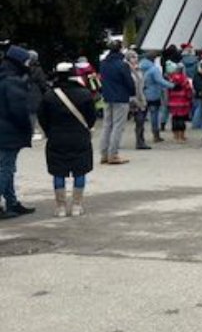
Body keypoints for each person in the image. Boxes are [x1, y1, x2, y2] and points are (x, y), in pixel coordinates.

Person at [38, 62, 97, 217]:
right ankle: (77, 206)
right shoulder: (84, 94)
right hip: (79, 137)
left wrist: (49, 131)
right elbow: (91, 118)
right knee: (80, 171)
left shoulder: (49, 95)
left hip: (57, 137)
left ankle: (60, 207)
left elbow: (42, 117)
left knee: (58, 172)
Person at [0, 46, 36, 218]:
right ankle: (9, 202)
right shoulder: (13, 81)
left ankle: (12, 202)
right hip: (9, 132)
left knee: (7, 167)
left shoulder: (3, 77)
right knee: (6, 169)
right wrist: (26, 128)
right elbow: (19, 110)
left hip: (4, 131)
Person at [99, 40, 136, 164]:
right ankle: (113, 154)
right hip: (120, 97)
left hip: (107, 96)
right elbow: (129, 82)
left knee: (107, 125)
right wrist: (132, 92)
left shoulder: (103, 63)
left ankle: (104, 153)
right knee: (118, 126)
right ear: (120, 49)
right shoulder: (122, 64)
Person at [140, 52, 173, 143]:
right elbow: (160, 81)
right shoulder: (154, 69)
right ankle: (156, 135)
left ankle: (140, 136)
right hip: (153, 95)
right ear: (154, 59)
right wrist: (172, 85)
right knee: (154, 116)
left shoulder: (140, 67)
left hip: (142, 94)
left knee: (141, 116)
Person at [125, 50, 150, 150]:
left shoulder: (139, 69)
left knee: (140, 120)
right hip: (131, 98)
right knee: (119, 122)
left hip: (140, 97)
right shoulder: (126, 69)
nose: (135, 59)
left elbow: (141, 84)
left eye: (136, 57)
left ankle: (140, 141)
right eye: (133, 57)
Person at [166, 62, 193, 142]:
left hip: (173, 102)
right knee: (181, 118)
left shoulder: (171, 79)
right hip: (183, 101)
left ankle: (175, 135)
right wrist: (189, 98)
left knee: (174, 118)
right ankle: (182, 135)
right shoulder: (185, 79)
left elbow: (168, 90)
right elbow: (189, 90)